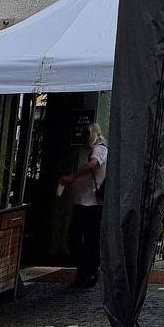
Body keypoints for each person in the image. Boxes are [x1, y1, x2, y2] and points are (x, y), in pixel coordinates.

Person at [58, 123, 107, 287]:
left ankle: (88, 271)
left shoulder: (99, 149)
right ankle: (88, 271)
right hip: (86, 202)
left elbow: (94, 164)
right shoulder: (95, 149)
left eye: (86, 135)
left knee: (79, 238)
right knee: (85, 238)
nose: (83, 138)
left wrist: (73, 176)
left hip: (90, 203)